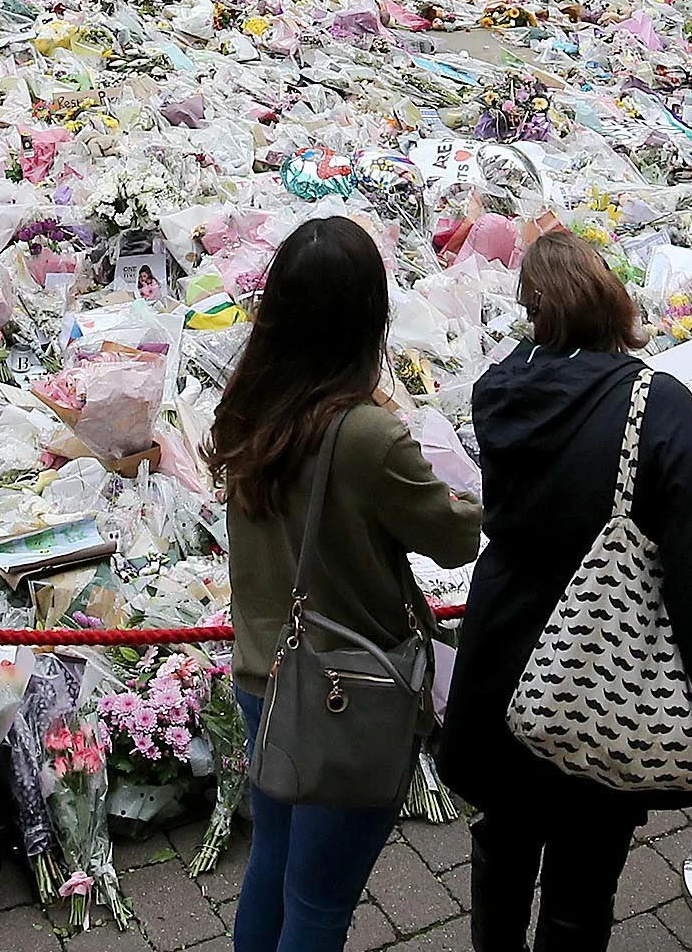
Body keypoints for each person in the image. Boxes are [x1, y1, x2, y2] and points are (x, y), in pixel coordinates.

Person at [439, 235, 692, 952]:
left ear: (534, 309)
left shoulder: (497, 390)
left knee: (501, 834)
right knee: (587, 863)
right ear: (612, 300)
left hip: (503, 646)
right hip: (607, 660)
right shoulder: (658, 404)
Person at [218, 217, 482, 952]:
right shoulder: (364, 433)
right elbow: (453, 534)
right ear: (367, 314)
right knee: (320, 899)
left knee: (271, 861)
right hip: (346, 686)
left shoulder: (248, 401)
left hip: (262, 670)